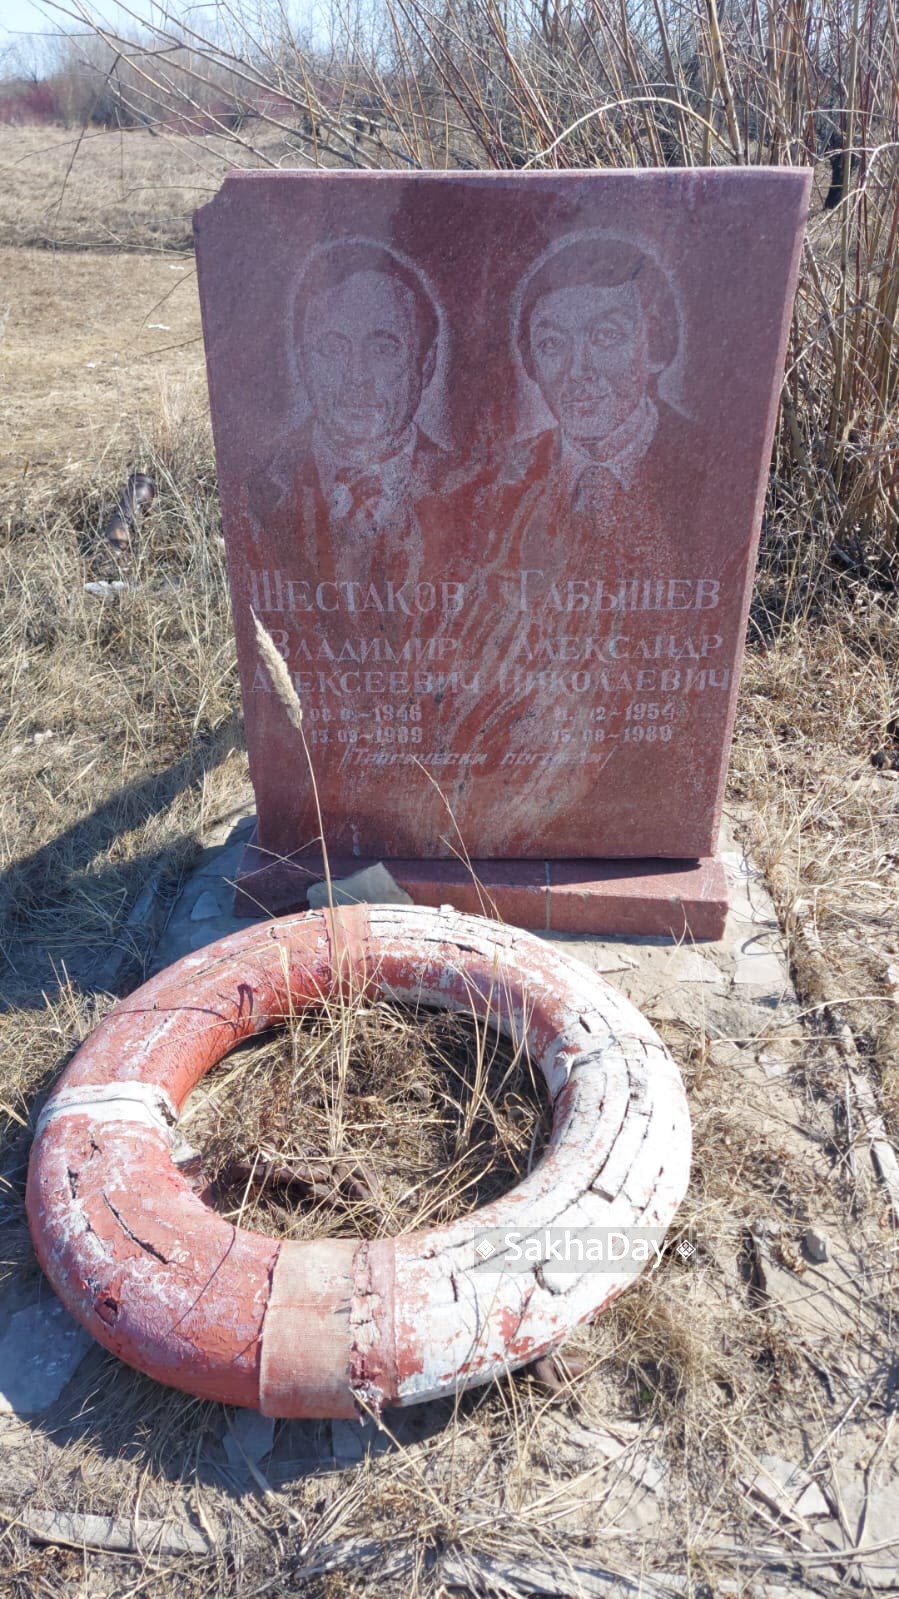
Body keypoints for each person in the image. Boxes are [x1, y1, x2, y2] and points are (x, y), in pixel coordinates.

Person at [243, 239, 455, 587]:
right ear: (303, 364)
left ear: (426, 366)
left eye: (383, 349)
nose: (357, 377)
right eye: (332, 348)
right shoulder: (256, 485)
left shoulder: (474, 485)